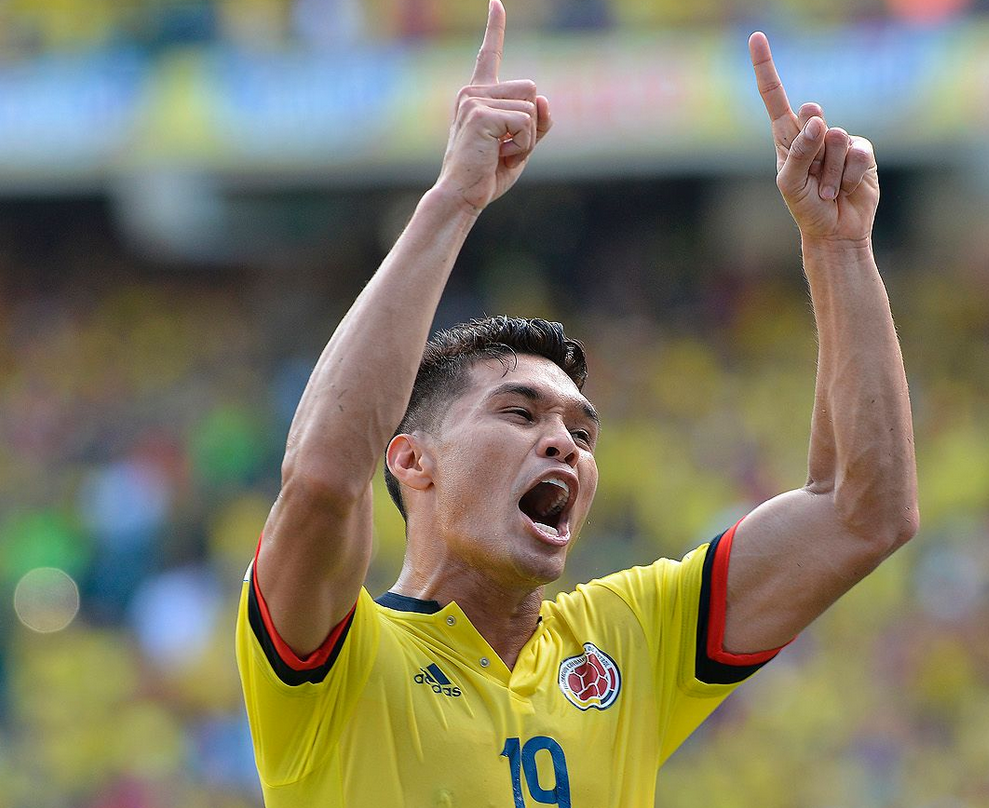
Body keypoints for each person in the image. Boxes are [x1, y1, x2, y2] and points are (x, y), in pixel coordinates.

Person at [234, 3, 918, 805]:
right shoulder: (335, 657)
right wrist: (453, 200)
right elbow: (322, 479)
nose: (564, 443)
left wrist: (839, 247)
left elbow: (862, 512)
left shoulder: (630, 638)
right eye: (519, 414)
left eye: (581, 432)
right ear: (412, 459)